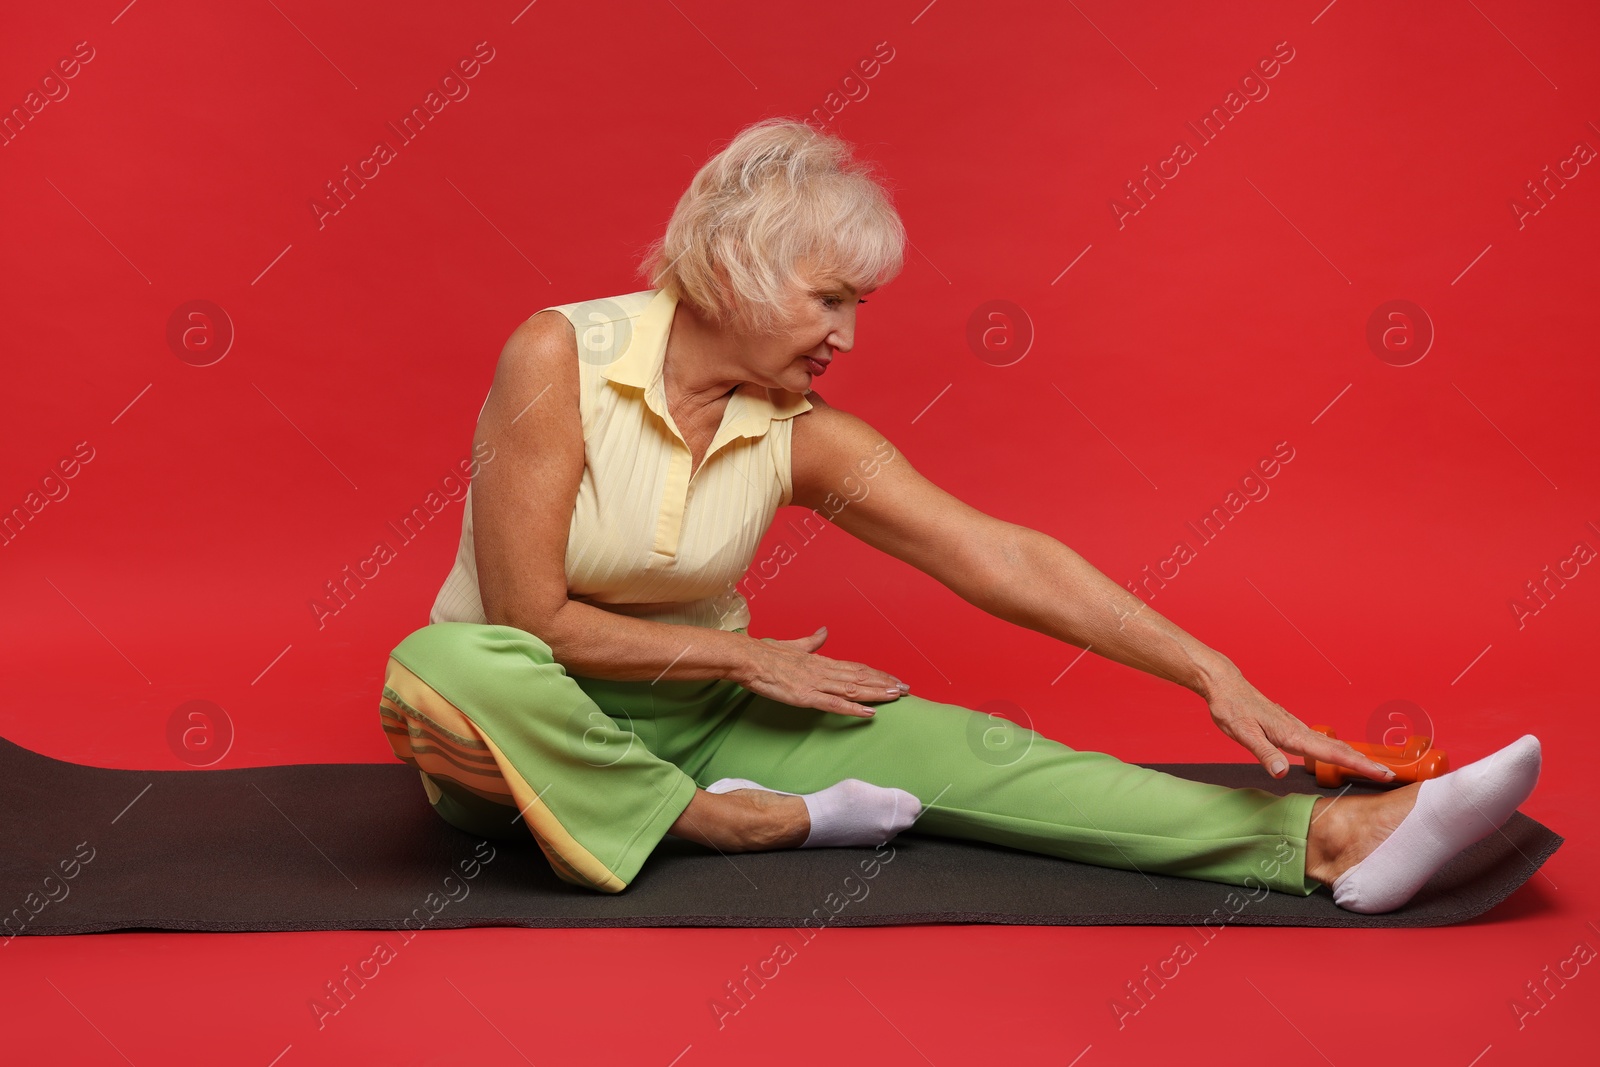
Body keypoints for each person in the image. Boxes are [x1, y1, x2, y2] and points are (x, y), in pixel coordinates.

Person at [378, 117, 1541, 914]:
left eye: (859, 303)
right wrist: (741, 655)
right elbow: (530, 617)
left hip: (704, 713)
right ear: (732, 267)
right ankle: (714, 823)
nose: (847, 334)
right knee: (445, 659)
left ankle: (1330, 847)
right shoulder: (556, 354)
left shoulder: (797, 427)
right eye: (829, 296)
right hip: (519, 726)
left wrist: (1210, 670)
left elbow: (995, 554)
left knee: (983, 752)